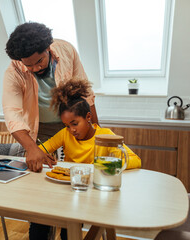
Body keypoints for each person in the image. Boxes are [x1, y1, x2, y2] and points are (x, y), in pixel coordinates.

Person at [31, 79, 141, 240]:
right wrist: (40, 154)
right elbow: (41, 149)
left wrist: (104, 164)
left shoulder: (105, 135)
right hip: (66, 191)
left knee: (69, 227)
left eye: (74, 124)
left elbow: (136, 160)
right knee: (38, 221)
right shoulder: (65, 134)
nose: (71, 130)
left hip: (91, 194)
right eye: (67, 125)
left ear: (88, 117)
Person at [3, 22, 98, 172]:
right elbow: (12, 113)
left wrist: (96, 130)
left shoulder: (67, 51)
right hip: (39, 128)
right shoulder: (14, 72)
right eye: (28, 65)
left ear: (48, 48)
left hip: (71, 123)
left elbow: (86, 92)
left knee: (79, 167)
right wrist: (32, 149)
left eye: (39, 61)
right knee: (41, 170)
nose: (35, 68)